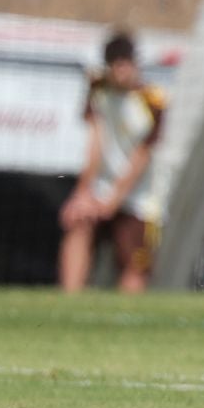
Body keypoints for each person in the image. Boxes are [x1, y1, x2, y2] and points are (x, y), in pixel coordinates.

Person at [59, 30, 164, 294]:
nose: (121, 71)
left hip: (139, 194)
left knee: (134, 264)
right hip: (101, 187)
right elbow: (95, 142)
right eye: (115, 65)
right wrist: (83, 192)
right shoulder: (98, 91)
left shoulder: (152, 100)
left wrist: (115, 199)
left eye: (125, 64)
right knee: (78, 224)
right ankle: (67, 303)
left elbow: (143, 156)